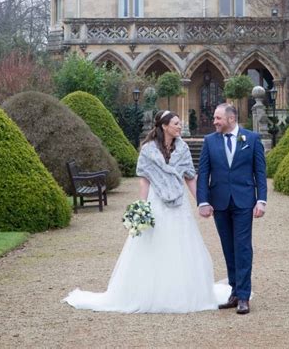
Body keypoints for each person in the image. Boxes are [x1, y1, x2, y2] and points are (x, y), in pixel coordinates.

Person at [63, 110, 225, 313]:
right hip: (157, 201)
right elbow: (145, 179)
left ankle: (180, 291)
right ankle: (151, 292)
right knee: (154, 244)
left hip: (179, 204)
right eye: (175, 123)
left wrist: (202, 202)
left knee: (181, 244)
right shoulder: (148, 150)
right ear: (164, 126)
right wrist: (143, 206)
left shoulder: (182, 148)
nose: (179, 126)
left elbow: (190, 178)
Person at [197, 103, 267, 315]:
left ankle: (244, 296)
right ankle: (234, 292)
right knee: (228, 247)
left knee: (243, 247)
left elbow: (260, 173)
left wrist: (261, 200)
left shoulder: (252, 139)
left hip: (244, 201)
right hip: (219, 202)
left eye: (218, 118)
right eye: (215, 118)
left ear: (231, 119)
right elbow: (203, 172)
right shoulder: (209, 141)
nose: (214, 121)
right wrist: (203, 201)